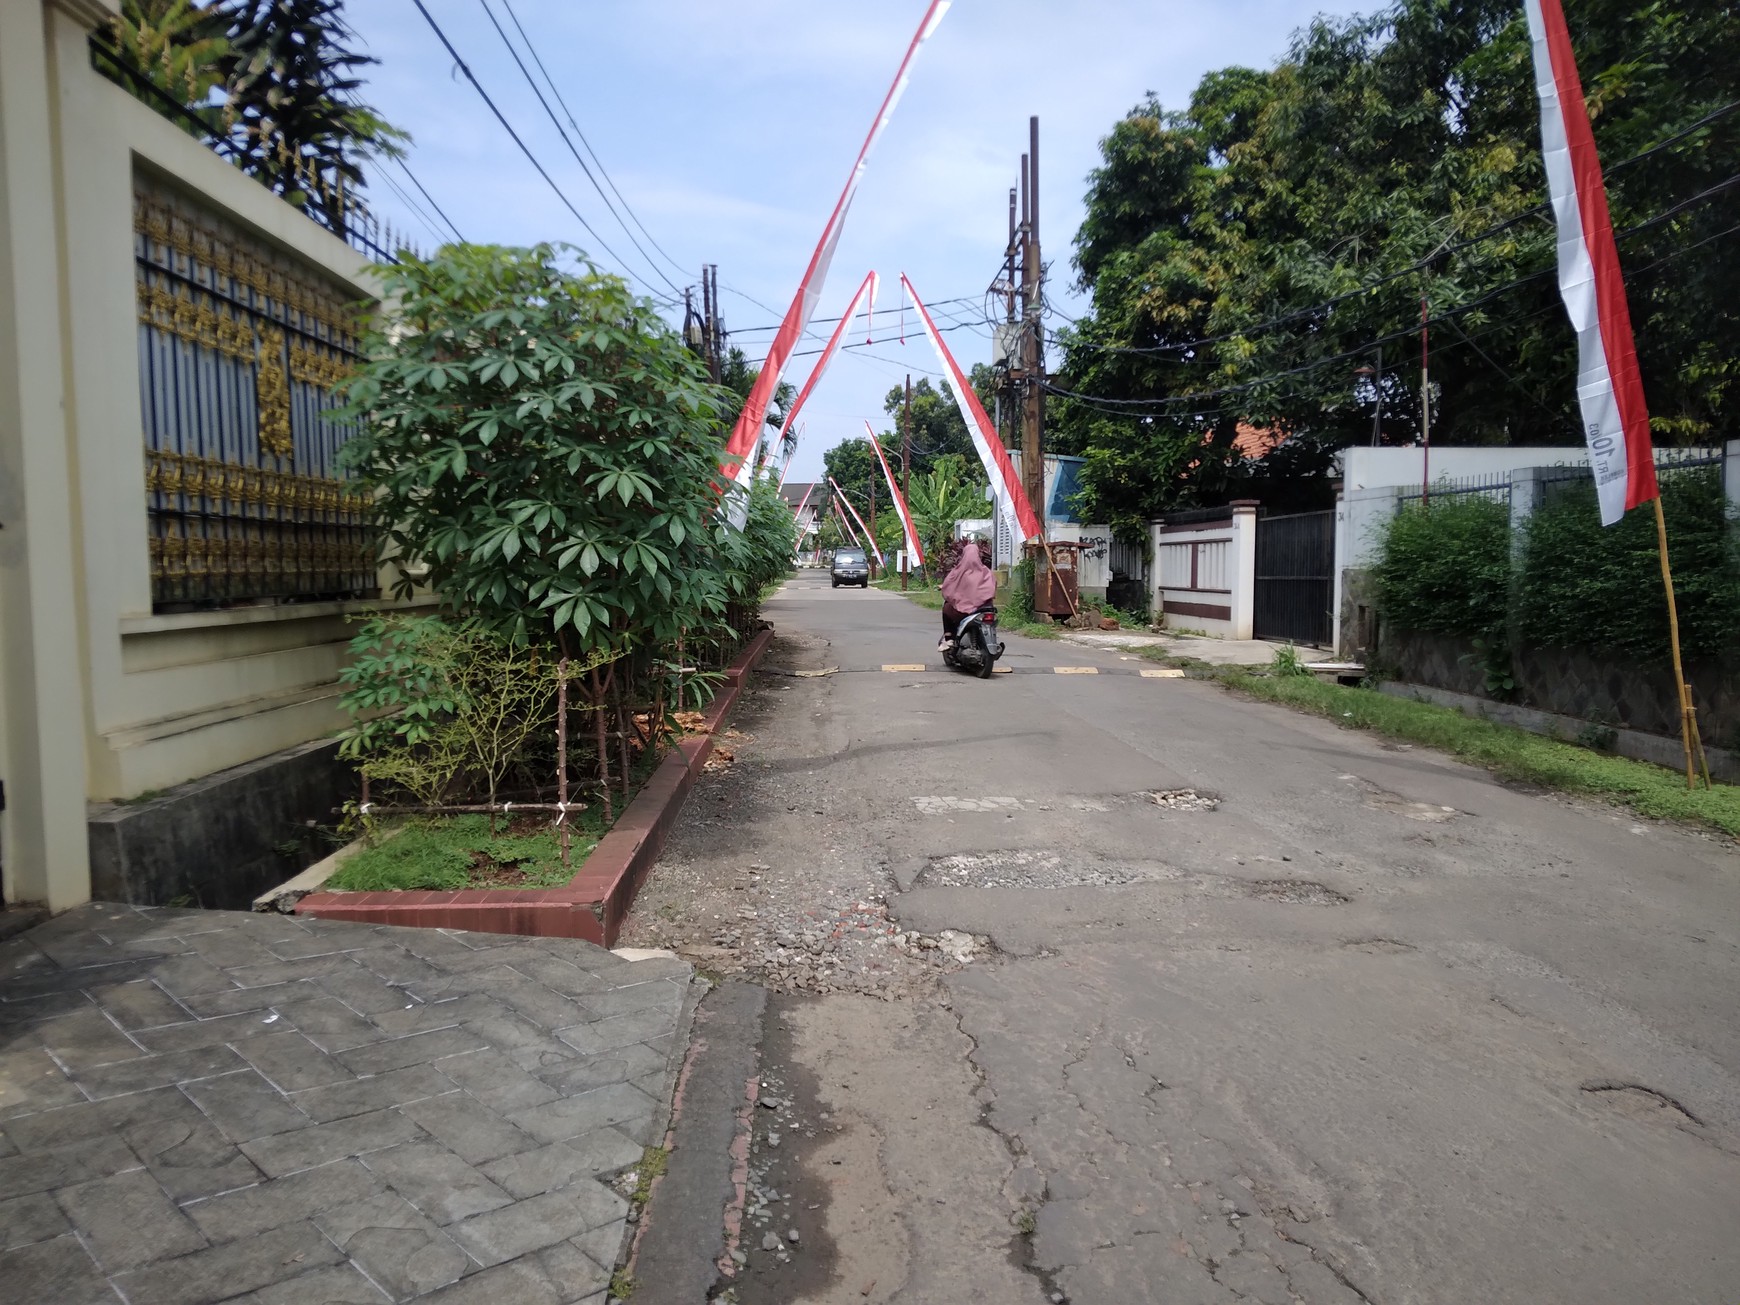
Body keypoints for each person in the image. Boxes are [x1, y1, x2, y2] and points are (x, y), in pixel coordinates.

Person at [938, 536, 995, 650]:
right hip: (983, 609)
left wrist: (943, 587)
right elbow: (992, 588)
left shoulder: (957, 572)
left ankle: (949, 638)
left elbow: (949, 588)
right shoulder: (987, 572)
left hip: (962, 612)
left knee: (946, 608)